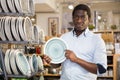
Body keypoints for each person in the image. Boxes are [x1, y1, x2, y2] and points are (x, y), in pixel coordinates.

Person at [43, 4, 107, 80]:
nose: (79, 20)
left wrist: (76, 59)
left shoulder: (97, 40)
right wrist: (51, 61)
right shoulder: (64, 37)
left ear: (89, 19)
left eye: (83, 17)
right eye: (76, 17)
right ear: (73, 18)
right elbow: (58, 64)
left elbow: (101, 69)